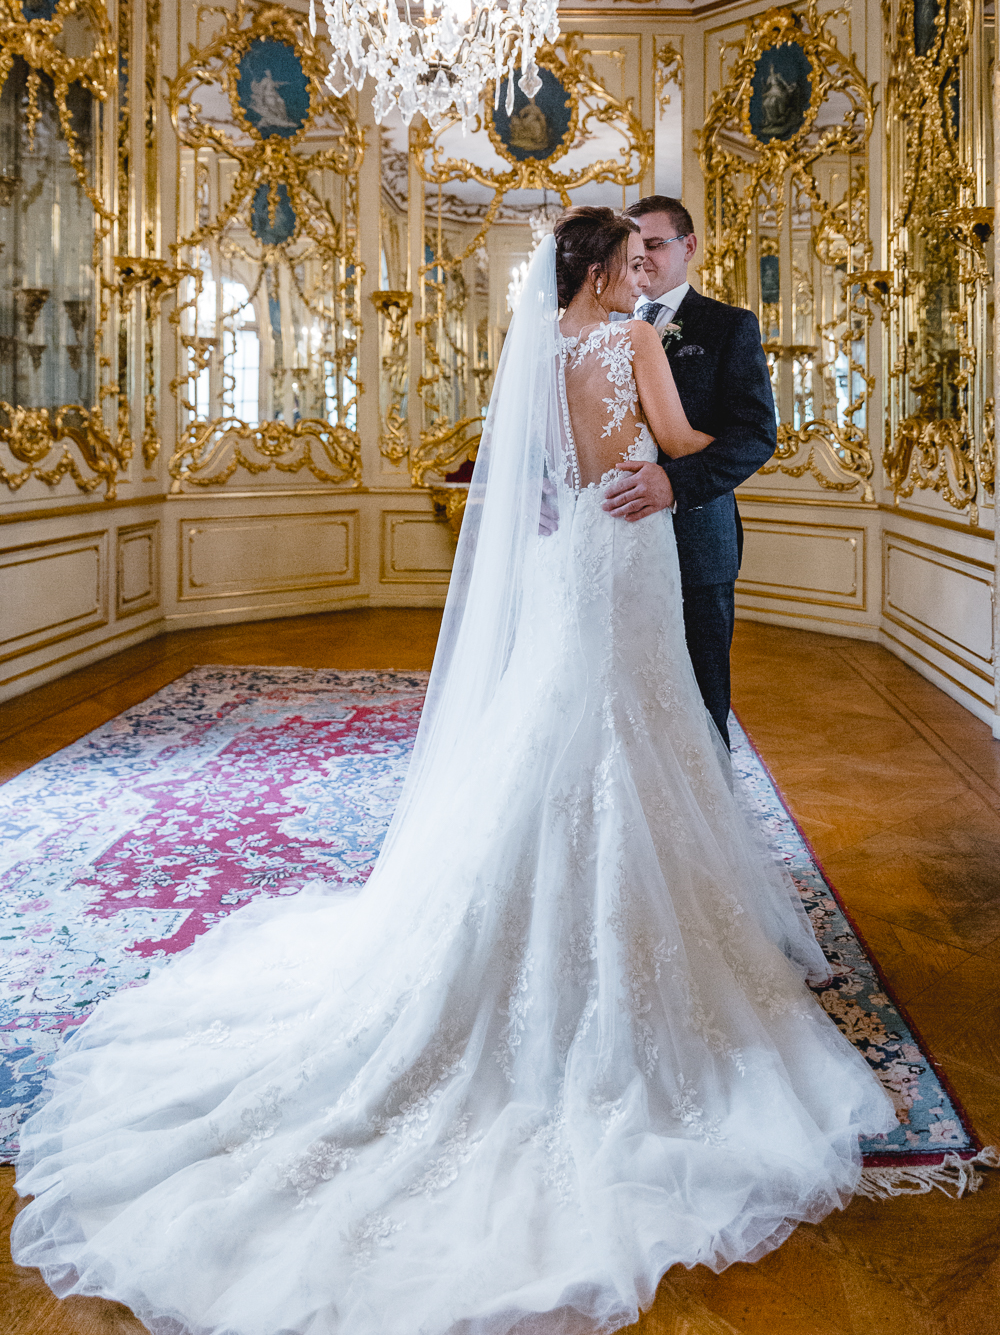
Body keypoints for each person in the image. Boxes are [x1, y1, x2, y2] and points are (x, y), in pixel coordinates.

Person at [13, 209, 894, 1335]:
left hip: (581, 545)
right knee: (635, 730)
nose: (640, 276)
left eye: (646, 261)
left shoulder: (541, 352)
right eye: (628, 263)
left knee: (582, 725)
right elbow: (678, 445)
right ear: (597, 268)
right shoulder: (626, 342)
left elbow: (543, 471)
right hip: (626, 549)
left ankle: (539, 908)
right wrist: (683, 447)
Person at [603, 195, 777, 748]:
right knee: (623, 690)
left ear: (689, 246)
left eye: (655, 245)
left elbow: (755, 436)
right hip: (612, 537)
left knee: (701, 695)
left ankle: (709, 815)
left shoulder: (729, 327)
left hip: (697, 538)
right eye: (633, 249)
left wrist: (675, 483)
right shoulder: (602, 328)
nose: (642, 260)